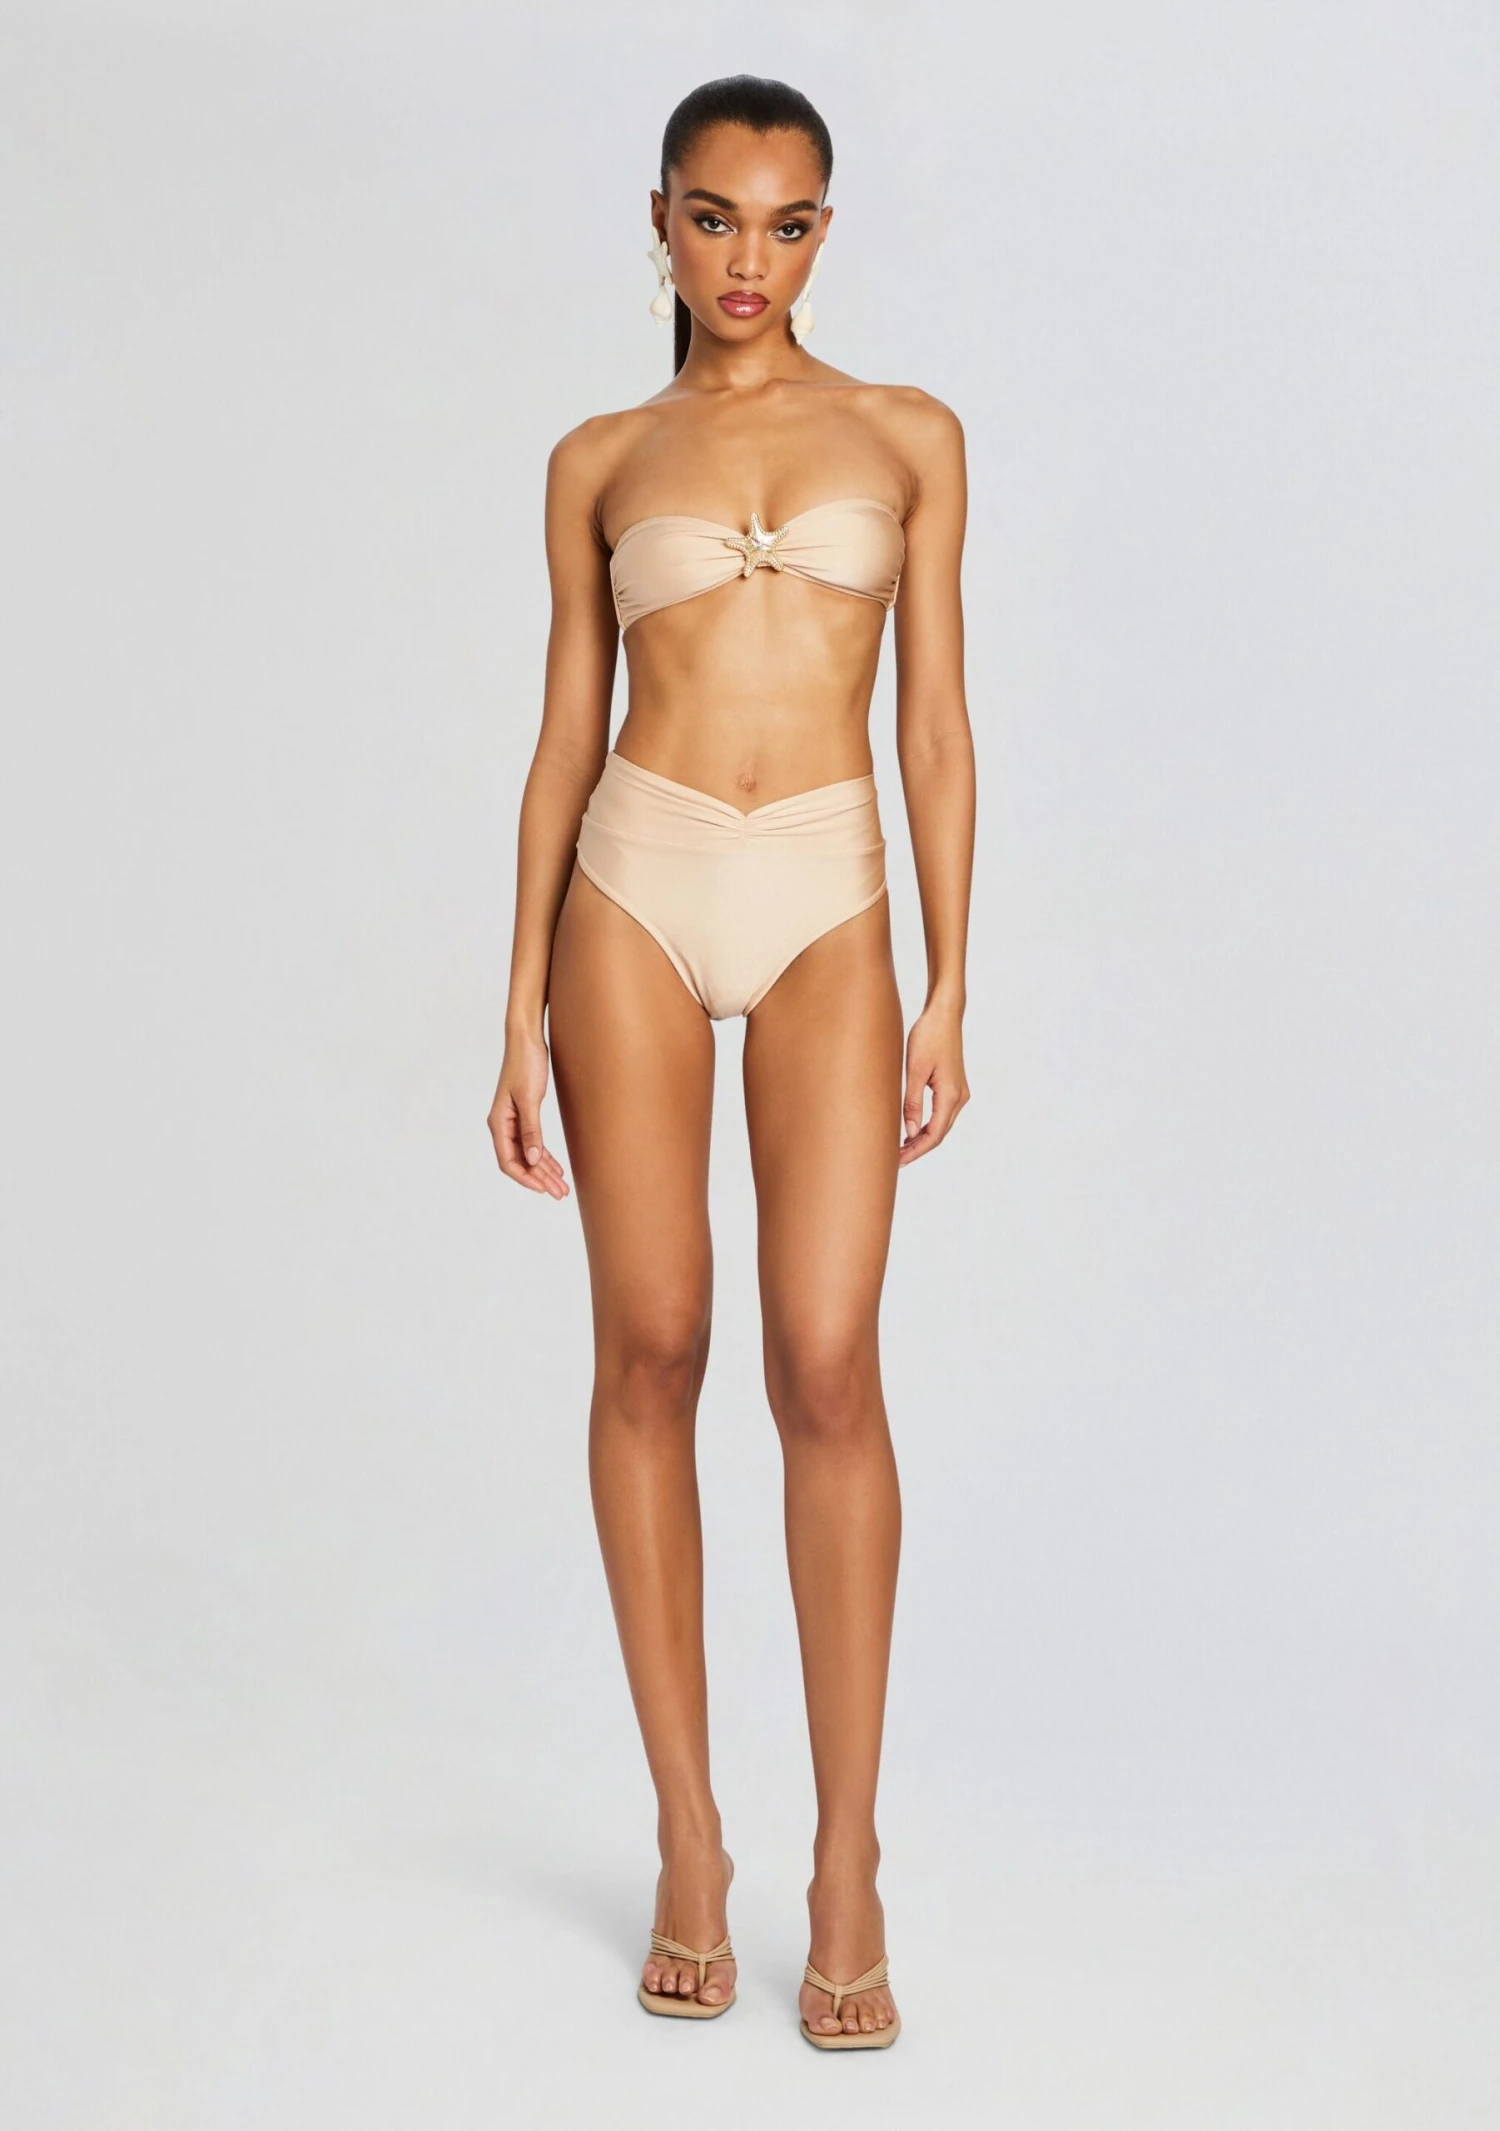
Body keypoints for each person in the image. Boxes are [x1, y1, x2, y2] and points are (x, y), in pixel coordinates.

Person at [488, 73, 974, 2050]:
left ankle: (847, 1861)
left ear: (824, 231)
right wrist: (512, 1003)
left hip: (830, 890)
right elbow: (562, 727)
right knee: (653, 1345)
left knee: (828, 1360)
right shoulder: (600, 457)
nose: (745, 258)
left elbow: (934, 722)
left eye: (782, 222)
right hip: (636, 878)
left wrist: (953, 984)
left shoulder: (910, 434)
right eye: (713, 218)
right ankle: (689, 1838)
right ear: (663, 223)